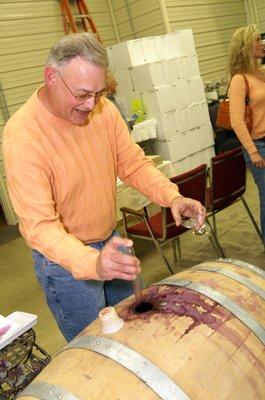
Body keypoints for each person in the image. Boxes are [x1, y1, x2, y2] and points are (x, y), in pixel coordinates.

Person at [3, 33, 205, 342]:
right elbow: (39, 226)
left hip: (110, 241)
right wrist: (92, 263)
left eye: (99, 93)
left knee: (133, 326)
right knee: (95, 345)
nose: (91, 104)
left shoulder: (103, 110)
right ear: (51, 77)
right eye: (82, 93)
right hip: (65, 264)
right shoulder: (23, 136)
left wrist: (172, 197)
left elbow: (133, 164)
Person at [229, 25, 265, 245]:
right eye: (257, 40)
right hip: (259, 146)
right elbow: (236, 120)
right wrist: (252, 151)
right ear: (244, 47)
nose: (261, 43)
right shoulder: (239, 80)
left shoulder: (261, 73)